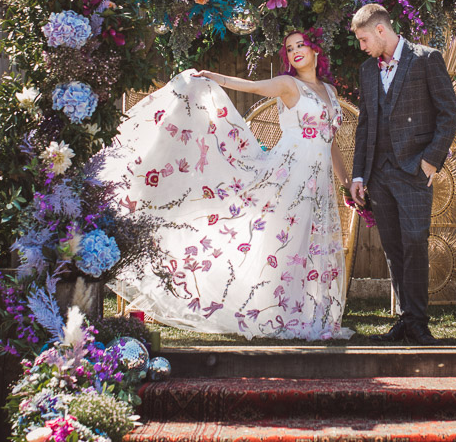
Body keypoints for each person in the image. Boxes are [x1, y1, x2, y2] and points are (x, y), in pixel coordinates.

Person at [99, 30, 354, 340]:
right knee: (287, 245)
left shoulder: (328, 90)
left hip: (320, 184)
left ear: (315, 50)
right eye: (289, 48)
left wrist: (347, 184)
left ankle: (308, 313)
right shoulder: (289, 85)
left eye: (301, 45)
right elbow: (251, 86)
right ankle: (276, 313)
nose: (295, 51)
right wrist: (212, 77)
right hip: (290, 176)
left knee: (312, 246)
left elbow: (332, 144)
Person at [349, 4, 456, 345]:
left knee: (415, 243)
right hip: (378, 174)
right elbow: (365, 124)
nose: (363, 47)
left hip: (413, 170)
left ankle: (418, 322)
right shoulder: (368, 71)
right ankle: (405, 320)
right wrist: (358, 176)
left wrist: (430, 161)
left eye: (364, 39)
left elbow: (448, 113)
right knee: (394, 248)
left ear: (381, 30)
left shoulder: (426, 59)